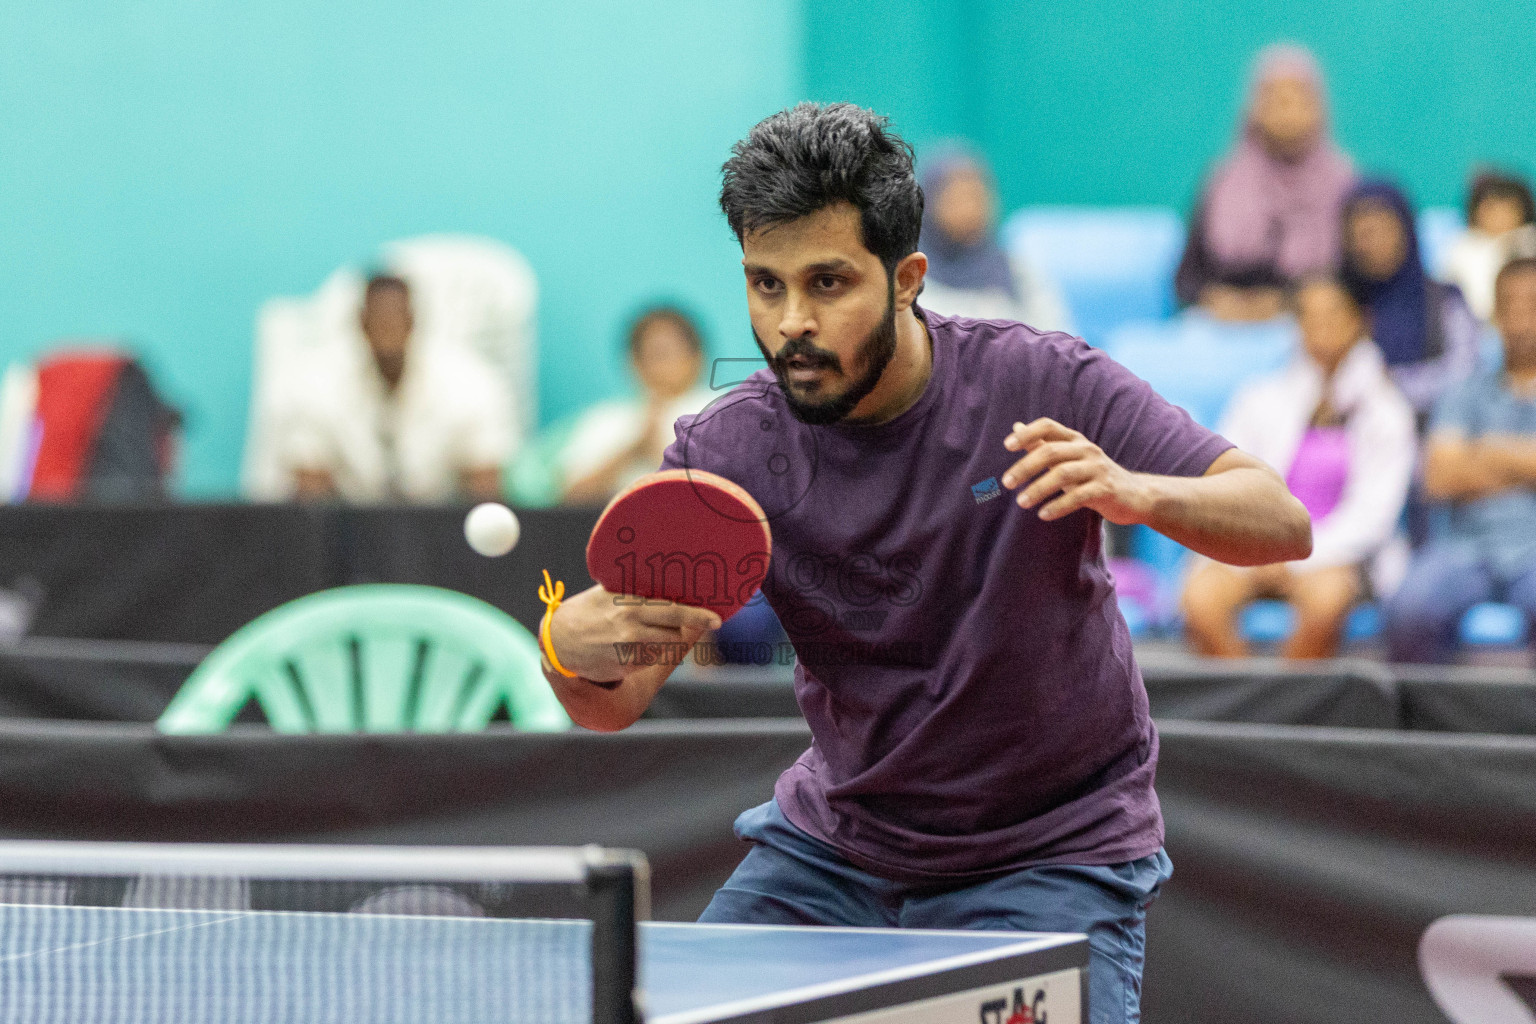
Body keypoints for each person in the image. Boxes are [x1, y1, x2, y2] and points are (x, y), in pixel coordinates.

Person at [537, 103, 1311, 1024]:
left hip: (1049, 853)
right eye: (765, 284)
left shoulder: (1041, 382)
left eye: (828, 283)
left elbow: (1280, 521)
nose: (792, 323)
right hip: (836, 852)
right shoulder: (729, 450)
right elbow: (610, 702)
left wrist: (1136, 492)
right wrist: (568, 644)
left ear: (907, 278)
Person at [1182, 278, 1415, 659]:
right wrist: (1261, 550)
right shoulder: (1259, 397)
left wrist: (1295, 555)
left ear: (1359, 321)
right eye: (1309, 315)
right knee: (1200, 598)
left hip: (1336, 555)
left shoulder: (1387, 410)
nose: (1320, 325)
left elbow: (1374, 517)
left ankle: (1289, 711)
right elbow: (1224, 481)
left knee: (1326, 604)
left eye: (1332, 314)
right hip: (1255, 547)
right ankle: (1246, 709)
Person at [1385, 258, 1536, 665]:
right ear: (1496, 315)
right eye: (1511, 305)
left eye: (1532, 304)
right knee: (1409, 609)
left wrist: (1485, 452)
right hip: (1466, 549)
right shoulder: (1463, 390)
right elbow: (1440, 476)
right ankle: (1422, 728)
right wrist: (1525, 461)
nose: (1521, 317)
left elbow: (1459, 465)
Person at [278, 275, 512, 502]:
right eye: (379, 317)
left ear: (413, 320)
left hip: (441, 530)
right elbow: (310, 497)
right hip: (346, 533)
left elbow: (485, 489)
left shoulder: (469, 382)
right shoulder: (316, 384)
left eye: (397, 315)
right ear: (361, 322)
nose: (388, 326)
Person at [1175, 44, 1356, 322]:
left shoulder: (1345, 187)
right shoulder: (1223, 182)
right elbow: (1188, 278)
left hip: (1310, 331)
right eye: (1275, 100)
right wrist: (1215, 300)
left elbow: (1353, 283)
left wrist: (1283, 304)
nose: (1287, 113)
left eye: (1298, 99)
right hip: (1224, 330)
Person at [1340, 179, 1480, 417]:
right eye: (1362, 234)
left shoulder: (1445, 300)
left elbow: (1464, 375)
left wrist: (1390, 386)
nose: (1372, 245)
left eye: (1382, 231)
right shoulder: (1339, 302)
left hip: (1432, 432)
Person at [559, 306, 713, 505]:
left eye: (666, 352)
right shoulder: (606, 418)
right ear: (633, 361)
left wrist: (660, 454)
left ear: (697, 357)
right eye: (650, 353)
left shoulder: (721, 413)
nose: (660, 365)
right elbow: (570, 498)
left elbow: (721, 496)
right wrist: (633, 450)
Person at [916, 144, 1074, 332]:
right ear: (930, 205)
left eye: (978, 198)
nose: (970, 211)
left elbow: (1058, 338)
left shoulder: (1016, 272)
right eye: (958, 199)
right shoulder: (910, 277)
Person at [1438, 170, 1536, 322]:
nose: (1499, 216)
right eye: (1492, 207)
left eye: (1508, 208)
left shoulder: (1527, 242)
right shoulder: (1461, 248)